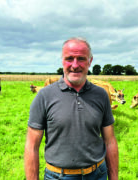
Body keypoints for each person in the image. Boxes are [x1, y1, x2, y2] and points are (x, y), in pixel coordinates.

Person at [24, 37, 119, 180]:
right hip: (58, 176)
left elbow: (110, 141)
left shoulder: (101, 95)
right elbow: (31, 146)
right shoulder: (44, 96)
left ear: (90, 61)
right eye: (69, 59)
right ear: (62, 60)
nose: (75, 65)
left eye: (81, 58)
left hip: (97, 174)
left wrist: (114, 177)